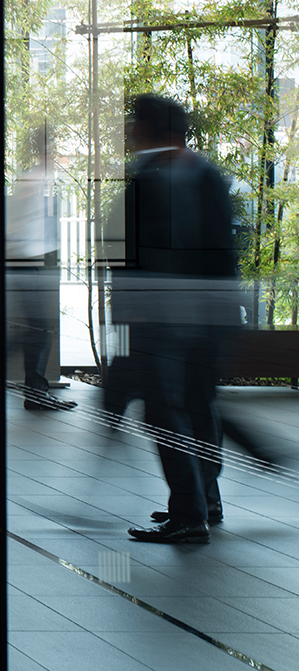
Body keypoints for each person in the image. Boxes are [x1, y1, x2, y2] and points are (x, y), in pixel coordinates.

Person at [111, 94, 237, 544]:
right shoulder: (206, 174)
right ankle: (205, 500)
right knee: (199, 407)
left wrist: (128, 316)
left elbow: (137, 256)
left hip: (163, 320)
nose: (129, 130)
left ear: (154, 130)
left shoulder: (153, 177)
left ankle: (189, 513)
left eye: (134, 123)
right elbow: (223, 251)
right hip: (206, 318)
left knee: (167, 412)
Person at [6, 126, 75, 411]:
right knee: (41, 328)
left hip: (34, 262)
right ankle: (33, 390)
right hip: (28, 263)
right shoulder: (32, 179)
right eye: (53, 146)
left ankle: (34, 390)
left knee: (39, 328)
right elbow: (17, 225)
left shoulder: (40, 178)